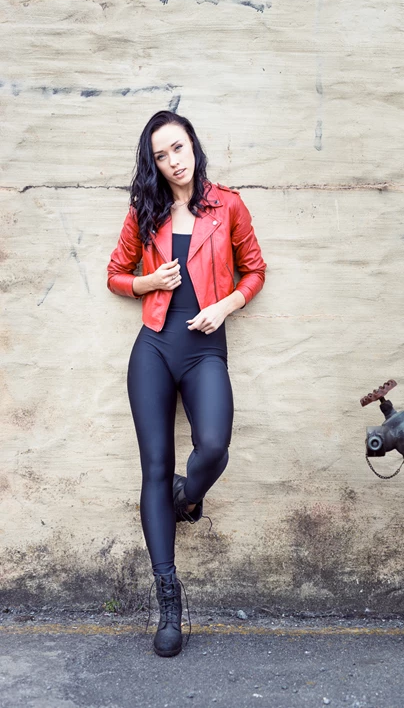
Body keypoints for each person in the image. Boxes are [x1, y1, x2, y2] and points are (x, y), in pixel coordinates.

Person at [107, 110, 266, 657]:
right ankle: (168, 598)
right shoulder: (145, 210)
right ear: (152, 163)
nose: (173, 162)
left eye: (178, 148)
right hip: (152, 346)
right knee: (153, 466)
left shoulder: (228, 205)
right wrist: (148, 281)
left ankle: (186, 497)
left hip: (204, 351)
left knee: (214, 448)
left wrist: (223, 307)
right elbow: (115, 273)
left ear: (193, 146)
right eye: (160, 155)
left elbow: (256, 271)